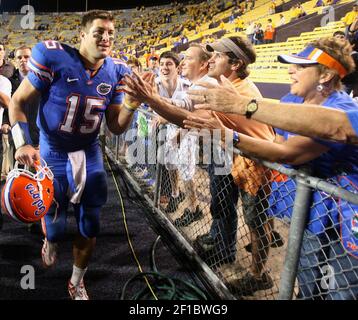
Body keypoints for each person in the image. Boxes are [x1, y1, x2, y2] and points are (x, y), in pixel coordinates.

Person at [184, 37, 358, 299]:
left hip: (347, 217)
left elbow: (288, 152)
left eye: (300, 67)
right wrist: (227, 132)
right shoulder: (292, 100)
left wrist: (230, 128)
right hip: (313, 211)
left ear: (327, 74)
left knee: (339, 290)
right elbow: (277, 141)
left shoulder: (343, 108)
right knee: (307, 281)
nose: (291, 70)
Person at [123, 37, 282, 290]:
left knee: (255, 222)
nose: (212, 61)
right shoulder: (225, 84)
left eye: (218, 56)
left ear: (236, 63)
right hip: (239, 157)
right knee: (238, 213)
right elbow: (187, 107)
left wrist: (153, 100)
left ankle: (258, 275)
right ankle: (233, 252)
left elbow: (187, 115)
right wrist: (155, 99)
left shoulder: (241, 90)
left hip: (256, 162)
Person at [9, 10, 135, 300]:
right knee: (53, 224)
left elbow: (115, 126)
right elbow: (17, 101)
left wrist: (131, 104)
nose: (106, 38)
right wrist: (23, 143)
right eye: (99, 32)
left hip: (88, 152)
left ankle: (76, 281)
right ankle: (50, 241)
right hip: (52, 151)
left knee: (90, 222)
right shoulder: (53, 56)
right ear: (82, 36)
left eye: (110, 34)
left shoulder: (117, 71)